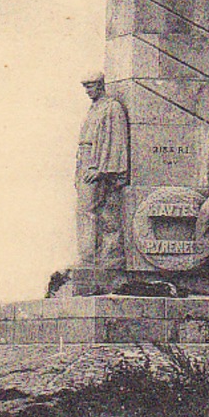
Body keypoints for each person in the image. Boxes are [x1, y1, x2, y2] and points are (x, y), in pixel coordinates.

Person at [75, 72, 129, 270]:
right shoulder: (95, 108)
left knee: (91, 211)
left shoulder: (111, 107)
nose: (88, 91)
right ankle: (92, 256)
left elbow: (115, 141)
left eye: (91, 86)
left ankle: (93, 259)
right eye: (86, 87)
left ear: (100, 85)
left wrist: (101, 168)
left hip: (96, 165)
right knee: (86, 210)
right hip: (85, 161)